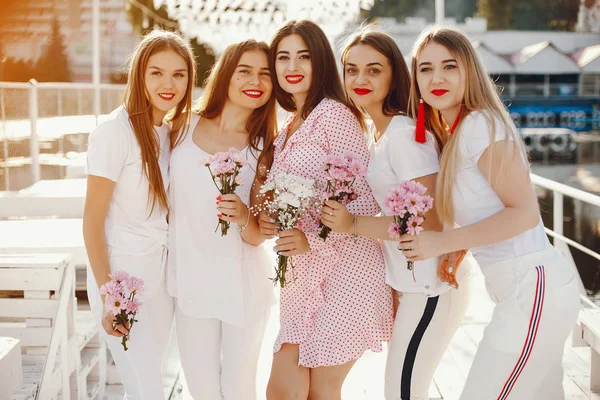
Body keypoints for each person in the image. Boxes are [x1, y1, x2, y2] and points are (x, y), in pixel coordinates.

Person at [398, 26, 580, 399]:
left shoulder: (480, 125)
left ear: (469, 70)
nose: (437, 78)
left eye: (449, 66)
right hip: (521, 290)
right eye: (425, 68)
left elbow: (524, 213)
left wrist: (443, 240)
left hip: (532, 287)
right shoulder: (458, 131)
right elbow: (492, 209)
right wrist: (458, 247)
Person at [321, 26, 473, 400]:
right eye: (352, 69)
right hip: (411, 284)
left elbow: (432, 220)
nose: (360, 79)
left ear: (394, 75)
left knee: (403, 393)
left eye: (374, 70)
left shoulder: (405, 134)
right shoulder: (381, 133)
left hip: (430, 284)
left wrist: (352, 224)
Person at [259, 20, 394, 400]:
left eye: (303, 56)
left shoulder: (335, 114)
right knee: (285, 391)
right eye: (283, 57)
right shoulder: (288, 127)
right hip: (302, 276)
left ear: (321, 61)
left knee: (322, 389)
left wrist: (311, 240)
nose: (292, 66)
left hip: (348, 270)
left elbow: (361, 201)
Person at [83, 29, 195, 399]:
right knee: (145, 386)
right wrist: (109, 299)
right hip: (123, 279)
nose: (168, 83)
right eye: (156, 73)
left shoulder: (168, 132)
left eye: (179, 74)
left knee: (145, 385)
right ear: (140, 76)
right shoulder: (114, 132)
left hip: (160, 278)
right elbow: (92, 222)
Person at [167, 39, 277, 400]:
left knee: (238, 388)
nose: (255, 80)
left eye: (265, 73)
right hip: (190, 280)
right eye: (245, 70)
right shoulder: (180, 127)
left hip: (242, 284)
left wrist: (245, 215)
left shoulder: (266, 148)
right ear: (226, 74)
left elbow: (259, 236)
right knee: (201, 389)